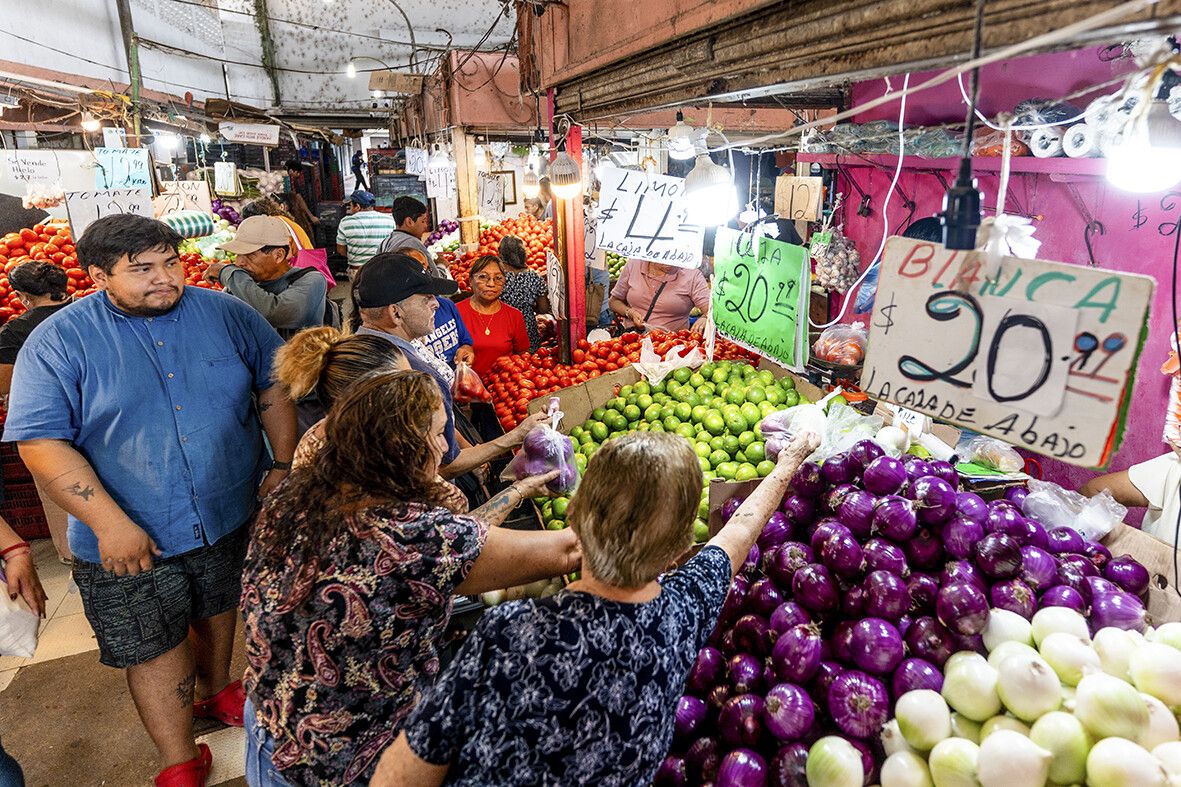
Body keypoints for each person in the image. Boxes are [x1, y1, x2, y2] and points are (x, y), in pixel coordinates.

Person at [5, 214, 296, 785]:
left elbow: (274, 382)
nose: (165, 279)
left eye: (171, 262)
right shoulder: (60, 340)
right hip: (128, 534)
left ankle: (216, 691)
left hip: (226, 509)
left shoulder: (226, 314)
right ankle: (178, 758)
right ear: (97, 275)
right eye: (142, 270)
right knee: (152, 644)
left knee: (218, 606)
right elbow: (39, 441)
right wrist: (108, 523)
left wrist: (282, 463)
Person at [373, 430, 820, 786]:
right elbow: (738, 533)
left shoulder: (507, 632)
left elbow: (405, 774)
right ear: (680, 550)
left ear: (573, 517)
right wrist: (790, 461)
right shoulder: (682, 616)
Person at [241, 370, 580, 786]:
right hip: (350, 760)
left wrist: (518, 490)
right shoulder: (411, 539)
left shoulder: (294, 499)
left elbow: (456, 542)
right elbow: (568, 550)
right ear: (400, 451)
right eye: (438, 434)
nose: (444, 447)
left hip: (270, 730)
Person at [349, 253, 548, 481]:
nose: (436, 303)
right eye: (426, 297)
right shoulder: (409, 376)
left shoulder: (365, 348)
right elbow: (446, 464)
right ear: (395, 313)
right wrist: (516, 436)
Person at [0, 261, 73, 562]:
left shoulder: (15, 331)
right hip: (100, 413)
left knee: (59, 488)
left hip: (47, 423)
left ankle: (76, 557)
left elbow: (5, 382)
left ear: (22, 296)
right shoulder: (90, 313)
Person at [206, 215, 339, 339]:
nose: (240, 262)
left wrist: (228, 274)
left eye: (249, 255)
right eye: (238, 254)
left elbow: (275, 312)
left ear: (278, 255)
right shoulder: (242, 283)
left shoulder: (312, 280)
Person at [456, 256, 529, 380]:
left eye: (498, 278)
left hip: (502, 389)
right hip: (464, 390)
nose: (491, 284)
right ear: (471, 281)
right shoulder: (456, 312)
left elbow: (523, 356)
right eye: (483, 277)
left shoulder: (514, 315)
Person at [609, 258, 711, 333]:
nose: (669, 261)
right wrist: (630, 312)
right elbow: (614, 301)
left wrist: (705, 318)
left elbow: (712, 310)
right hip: (631, 340)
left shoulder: (692, 275)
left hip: (671, 345)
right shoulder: (634, 264)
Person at [496, 236, 549, 352]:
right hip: (527, 329)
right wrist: (528, 305)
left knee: (503, 365)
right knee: (526, 364)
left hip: (501, 328)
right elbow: (544, 308)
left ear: (500, 254)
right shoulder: (534, 277)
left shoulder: (496, 277)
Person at [378, 197, 444, 278]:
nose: (425, 226)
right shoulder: (413, 243)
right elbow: (435, 278)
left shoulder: (386, 241)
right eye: (423, 221)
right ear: (409, 222)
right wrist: (442, 265)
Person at [336, 190, 395, 277]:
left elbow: (341, 250)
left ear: (358, 206)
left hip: (358, 271)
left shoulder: (346, 222)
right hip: (383, 269)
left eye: (351, 205)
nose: (350, 208)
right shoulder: (389, 220)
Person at [415, 296, 475, 378]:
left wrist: (466, 351)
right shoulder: (409, 327)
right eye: (426, 297)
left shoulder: (446, 304)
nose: (436, 303)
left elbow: (465, 342)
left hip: (460, 379)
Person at [240, 198, 312, 251]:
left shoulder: (275, 224)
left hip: (302, 262)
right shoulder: (280, 219)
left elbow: (287, 254)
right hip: (306, 256)